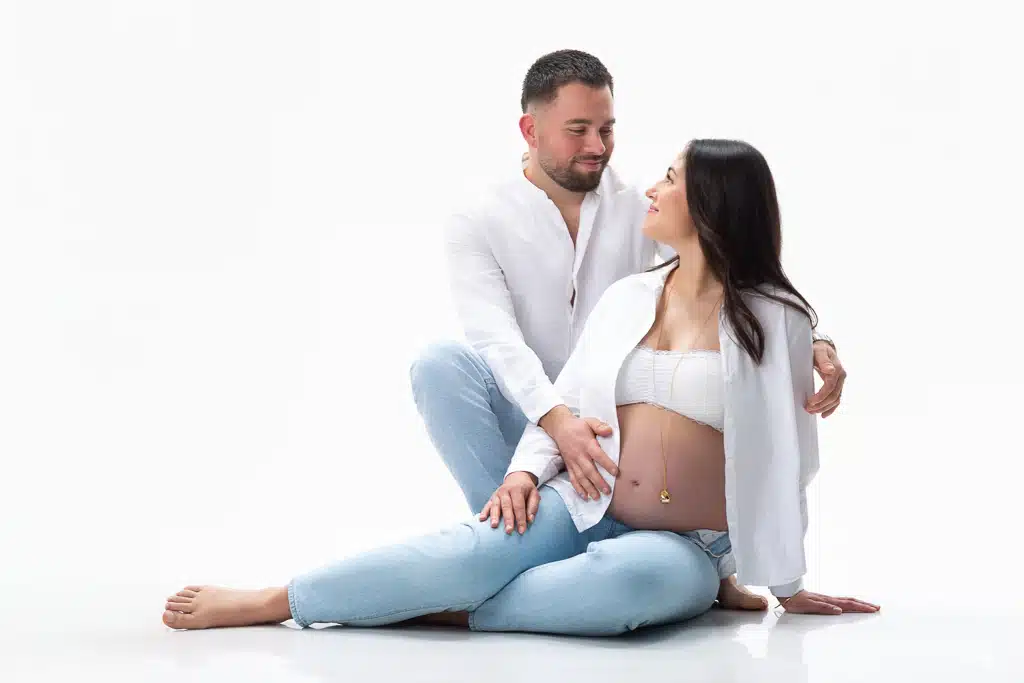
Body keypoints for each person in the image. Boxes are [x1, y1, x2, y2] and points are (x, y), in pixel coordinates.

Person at [161, 139, 878, 633]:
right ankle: (280, 599)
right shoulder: (630, 297)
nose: (653, 188)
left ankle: (443, 607)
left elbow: (789, 460)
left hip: (687, 544)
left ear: (714, 202)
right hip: (587, 500)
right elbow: (569, 396)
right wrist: (524, 474)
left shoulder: (776, 319)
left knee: (635, 586)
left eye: (670, 177)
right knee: (469, 550)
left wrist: (786, 584)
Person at [408, 49, 845, 610]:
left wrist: (812, 338)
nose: (597, 145)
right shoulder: (479, 217)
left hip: (613, 434)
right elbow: (496, 340)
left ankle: (516, 574)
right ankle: (513, 547)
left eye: (607, 128)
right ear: (530, 130)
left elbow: (728, 274)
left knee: (640, 573)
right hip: (536, 423)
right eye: (578, 130)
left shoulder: (643, 205)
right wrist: (558, 423)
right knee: (439, 366)